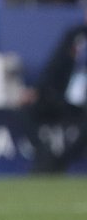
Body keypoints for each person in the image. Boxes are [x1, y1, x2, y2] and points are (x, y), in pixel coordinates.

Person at [25, 11, 87, 172]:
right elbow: (54, 65)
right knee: (25, 111)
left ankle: (62, 161)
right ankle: (45, 155)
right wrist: (37, 90)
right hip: (65, 98)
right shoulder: (75, 35)